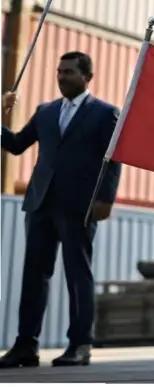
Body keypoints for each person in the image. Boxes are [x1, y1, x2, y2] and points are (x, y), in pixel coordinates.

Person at [0, 52, 122, 369]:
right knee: (34, 276)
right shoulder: (45, 112)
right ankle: (25, 345)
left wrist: (105, 199)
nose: (61, 76)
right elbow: (14, 145)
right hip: (41, 204)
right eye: (59, 71)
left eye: (68, 71)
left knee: (77, 275)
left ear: (87, 77)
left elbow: (114, 160)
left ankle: (80, 345)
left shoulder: (105, 114)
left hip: (79, 206)